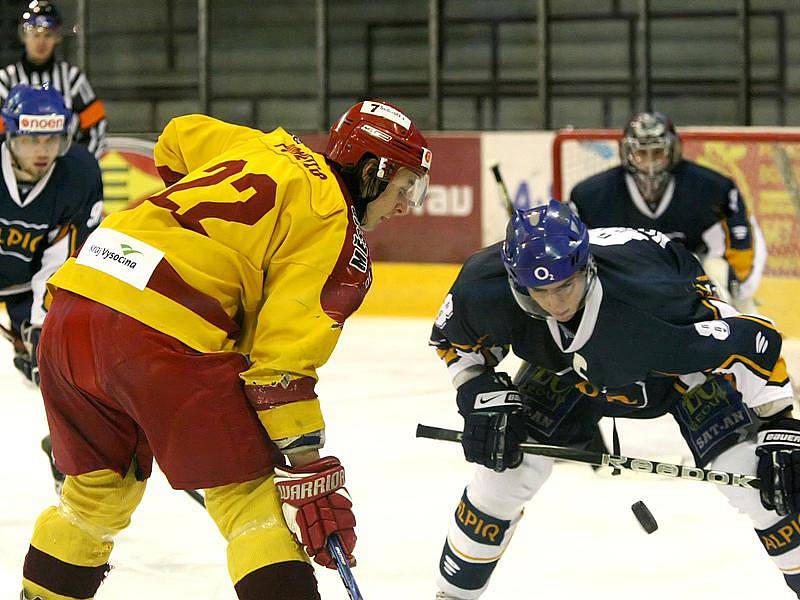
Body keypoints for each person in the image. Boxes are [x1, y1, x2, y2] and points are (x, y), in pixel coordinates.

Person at [20, 99, 431, 600]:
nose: (409, 205)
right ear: (372, 172)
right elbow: (279, 373)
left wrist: (193, 236)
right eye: (406, 187)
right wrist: (309, 470)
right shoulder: (337, 233)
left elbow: (177, 136)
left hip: (74, 305)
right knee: (249, 506)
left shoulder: (262, 145)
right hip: (159, 336)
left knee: (91, 500)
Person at [430, 200, 799, 599]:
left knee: (764, 484)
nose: (556, 304)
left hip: (678, 372)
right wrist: (478, 391)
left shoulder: (658, 301)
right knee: (503, 475)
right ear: (516, 282)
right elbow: (454, 343)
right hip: (565, 370)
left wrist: (781, 424)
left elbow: (756, 342)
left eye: (565, 286)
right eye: (540, 292)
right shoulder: (483, 287)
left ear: (587, 269)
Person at [0, 82, 103, 492]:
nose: (42, 150)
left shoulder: (78, 173)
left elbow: (63, 259)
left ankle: (67, 456)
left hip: (30, 285)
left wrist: (42, 325)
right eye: (29, 139)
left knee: (57, 369)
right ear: (9, 134)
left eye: (51, 138)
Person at [569, 111, 765, 313]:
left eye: (657, 153)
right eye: (641, 153)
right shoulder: (591, 196)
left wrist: (736, 286)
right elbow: (577, 251)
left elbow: (740, 239)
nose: (650, 163)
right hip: (627, 273)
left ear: (673, 151)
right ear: (626, 152)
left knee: (720, 274)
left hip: (693, 266)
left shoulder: (712, 188)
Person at [0, 0, 107, 158]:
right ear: (24, 36)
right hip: (17, 174)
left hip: (66, 173)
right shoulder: (5, 80)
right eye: (35, 34)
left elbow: (97, 127)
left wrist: (81, 167)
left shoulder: (73, 80)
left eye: (48, 35)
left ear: (57, 37)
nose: (41, 42)